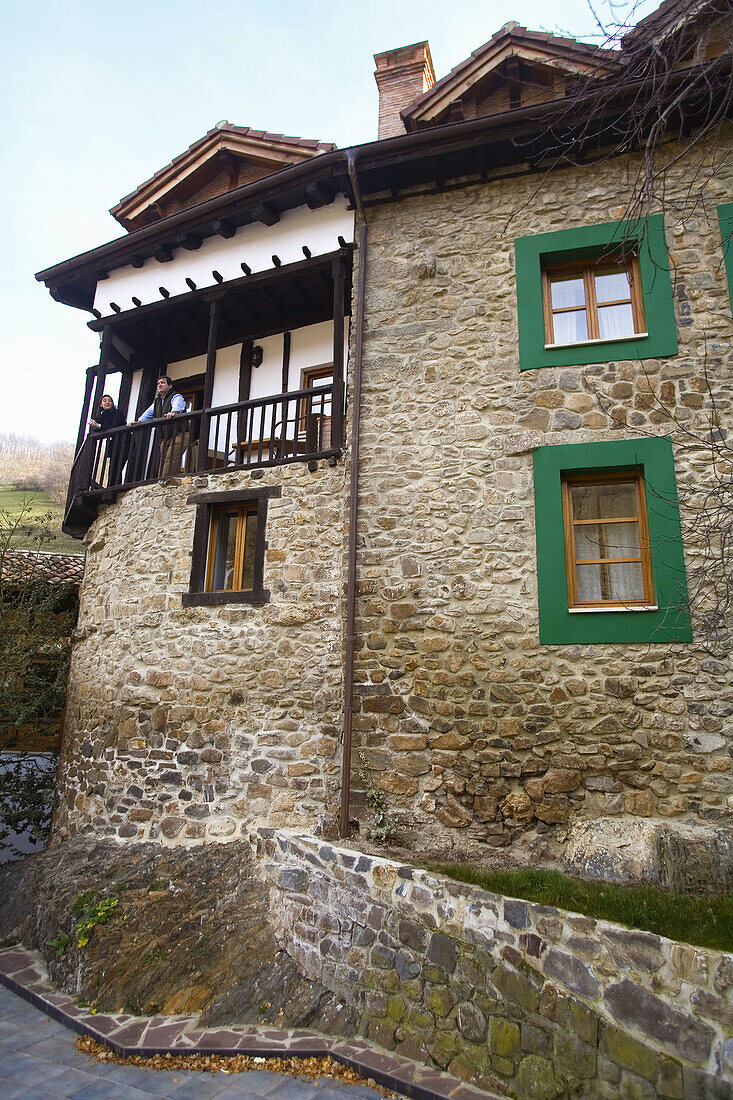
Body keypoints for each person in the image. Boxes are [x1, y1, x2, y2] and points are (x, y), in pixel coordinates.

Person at [137, 376, 188, 478]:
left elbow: (177, 407)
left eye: (163, 383)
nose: (160, 384)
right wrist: (136, 423)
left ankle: (165, 481)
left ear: (170, 386)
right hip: (166, 436)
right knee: (164, 460)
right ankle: (167, 480)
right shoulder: (157, 402)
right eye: (158, 383)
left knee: (171, 458)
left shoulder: (176, 396)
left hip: (180, 433)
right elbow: (146, 416)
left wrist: (173, 412)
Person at [89, 396, 127, 486]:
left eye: (109, 401)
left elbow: (114, 427)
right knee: (112, 469)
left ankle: (115, 489)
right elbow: (97, 429)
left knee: (117, 468)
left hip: (124, 443)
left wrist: (98, 426)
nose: (107, 402)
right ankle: (112, 488)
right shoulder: (103, 415)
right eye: (104, 401)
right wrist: (95, 425)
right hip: (114, 446)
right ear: (101, 404)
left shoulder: (117, 413)